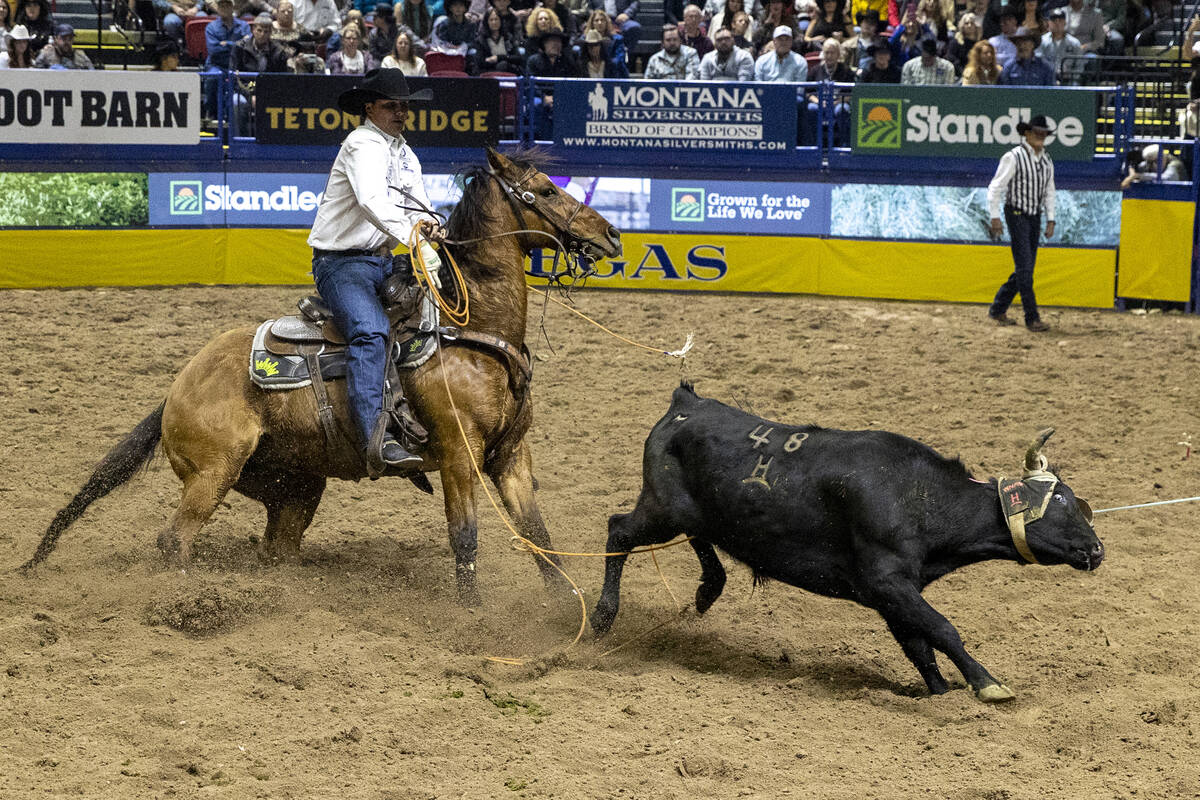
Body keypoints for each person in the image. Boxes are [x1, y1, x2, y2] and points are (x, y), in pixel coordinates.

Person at [308, 69, 440, 473]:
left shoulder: (403, 152)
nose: (401, 112)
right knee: (370, 331)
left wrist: (436, 226)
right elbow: (371, 201)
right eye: (391, 105)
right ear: (370, 108)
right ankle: (375, 437)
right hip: (340, 264)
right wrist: (416, 239)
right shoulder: (362, 144)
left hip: (383, 260)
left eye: (404, 106)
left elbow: (418, 204)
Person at [986, 114, 1056, 333]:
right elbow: (995, 187)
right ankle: (1031, 317)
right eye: (1037, 133)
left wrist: (1050, 218)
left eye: (1044, 134)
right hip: (1016, 214)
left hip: (1033, 216)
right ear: (1027, 134)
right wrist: (995, 216)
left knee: (1025, 269)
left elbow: (1049, 191)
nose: (1041, 137)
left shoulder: (1046, 160)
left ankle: (998, 307)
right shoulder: (1013, 157)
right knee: (1025, 268)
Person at [469, 6, 523, 73]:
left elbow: (518, 58)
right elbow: (480, 62)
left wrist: (499, 58)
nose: (494, 22)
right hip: (488, 72)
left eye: (496, 19)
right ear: (487, 22)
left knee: (503, 65)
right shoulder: (481, 40)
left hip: (507, 70)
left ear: (501, 20)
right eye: (491, 20)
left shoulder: (508, 37)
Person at [1037, 8, 1080, 84]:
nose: (1057, 23)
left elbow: (1079, 66)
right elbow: (1039, 62)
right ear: (1049, 23)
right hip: (1047, 79)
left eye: (1060, 20)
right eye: (1054, 20)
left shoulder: (1074, 43)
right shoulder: (1042, 41)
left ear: (1065, 22)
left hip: (1069, 79)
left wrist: (1071, 75)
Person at [1120, 143, 1188, 187]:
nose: (1152, 166)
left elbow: (1166, 178)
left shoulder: (1175, 164)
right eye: (1149, 162)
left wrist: (1138, 176)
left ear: (1162, 157)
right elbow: (1125, 167)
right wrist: (1132, 171)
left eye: (1156, 161)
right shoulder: (1149, 163)